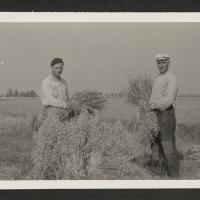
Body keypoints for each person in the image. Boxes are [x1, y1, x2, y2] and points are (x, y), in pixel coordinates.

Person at [149, 54, 180, 178]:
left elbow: (168, 100)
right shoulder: (157, 78)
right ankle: (160, 169)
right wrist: (151, 104)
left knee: (167, 143)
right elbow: (152, 97)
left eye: (163, 62)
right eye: (159, 63)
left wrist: (154, 105)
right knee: (156, 143)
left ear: (168, 63)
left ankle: (173, 173)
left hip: (166, 114)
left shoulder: (171, 78)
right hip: (156, 114)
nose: (161, 65)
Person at [41, 57, 70, 122]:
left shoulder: (63, 82)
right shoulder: (47, 82)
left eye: (61, 68)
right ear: (51, 67)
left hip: (64, 112)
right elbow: (50, 100)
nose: (59, 70)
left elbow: (67, 98)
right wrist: (66, 105)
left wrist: (70, 104)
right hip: (50, 112)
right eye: (56, 68)